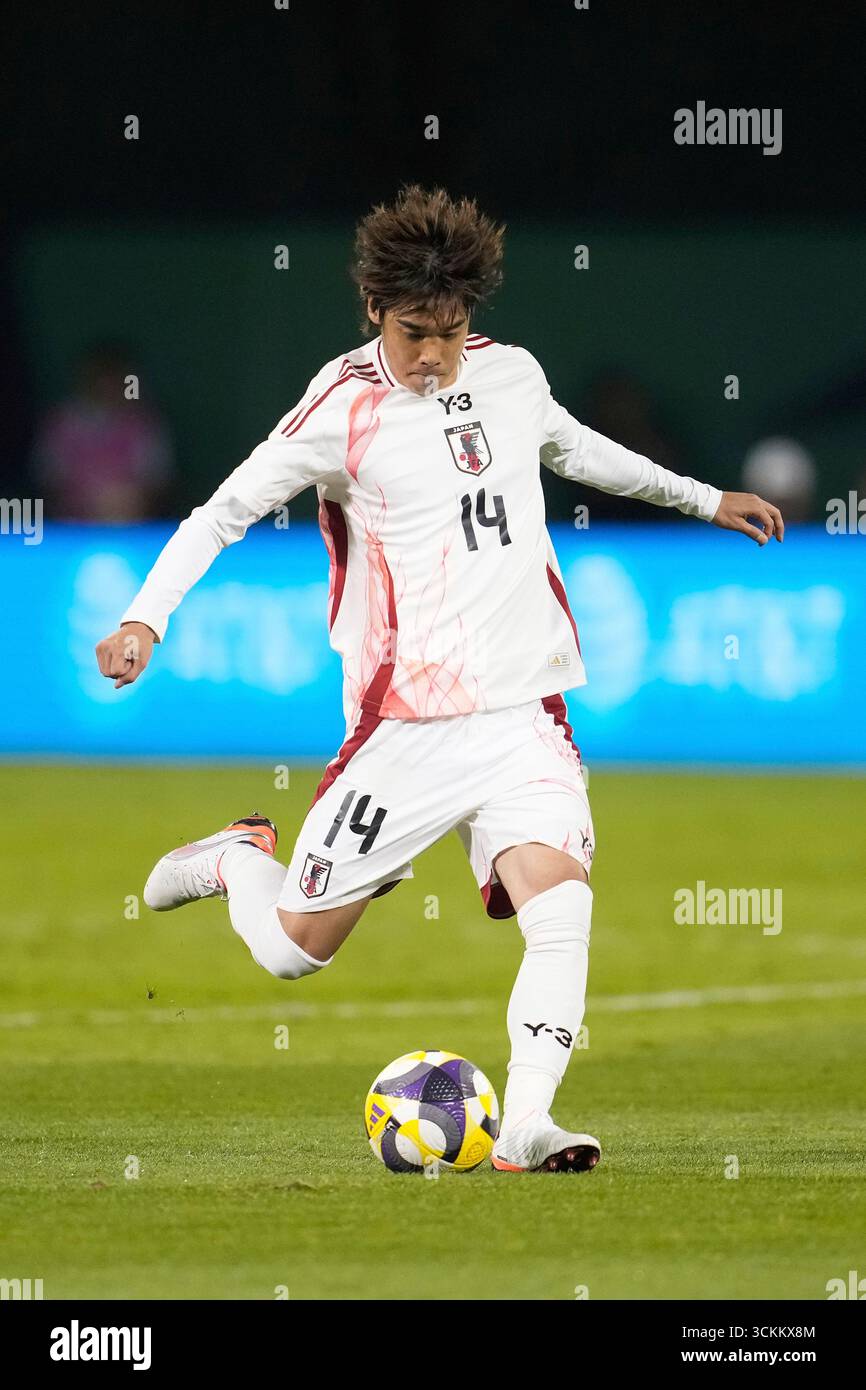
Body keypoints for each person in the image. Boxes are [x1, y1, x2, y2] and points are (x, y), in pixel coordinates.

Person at [95, 186, 784, 1174]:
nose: (433, 354)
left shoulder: (511, 378)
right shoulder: (338, 411)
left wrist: (701, 497)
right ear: (373, 307)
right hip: (403, 728)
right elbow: (221, 512)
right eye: (415, 332)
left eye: (451, 332)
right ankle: (236, 857)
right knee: (294, 949)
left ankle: (529, 1123)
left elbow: (577, 450)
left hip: (520, 711)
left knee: (561, 907)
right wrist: (142, 616)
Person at [33, 342, 174, 520]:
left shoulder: (143, 422)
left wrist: (122, 502)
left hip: (132, 527)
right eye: (100, 376)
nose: (108, 384)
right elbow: (49, 481)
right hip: (72, 527)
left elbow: (157, 481)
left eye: (115, 376)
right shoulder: (61, 422)